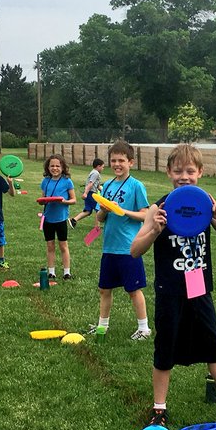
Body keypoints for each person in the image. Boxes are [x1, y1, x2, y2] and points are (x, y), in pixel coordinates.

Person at [130, 143, 216, 425]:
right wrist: (154, 230)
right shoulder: (158, 208)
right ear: (168, 172)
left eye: (190, 171)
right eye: (178, 171)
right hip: (170, 288)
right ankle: (159, 408)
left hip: (198, 285)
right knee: (165, 347)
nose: (184, 177)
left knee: (212, 342)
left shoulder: (205, 205)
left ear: (200, 172)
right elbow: (135, 250)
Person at [85, 140, 151, 340]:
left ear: (130, 162)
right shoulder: (107, 186)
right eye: (113, 160)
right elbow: (99, 217)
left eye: (121, 160)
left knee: (133, 289)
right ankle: (102, 326)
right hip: (109, 248)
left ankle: (144, 328)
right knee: (104, 289)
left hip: (128, 248)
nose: (117, 164)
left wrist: (123, 211)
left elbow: (145, 214)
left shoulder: (136, 186)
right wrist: (105, 210)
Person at [39, 155, 76, 280]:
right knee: (50, 245)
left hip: (61, 219)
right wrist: (42, 201)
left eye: (57, 166)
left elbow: (74, 200)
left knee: (63, 245)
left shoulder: (67, 181)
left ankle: (67, 272)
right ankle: (51, 271)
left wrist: (64, 201)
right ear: (48, 167)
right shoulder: (45, 181)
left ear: (63, 167)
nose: (55, 168)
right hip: (48, 219)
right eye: (52, 166)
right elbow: (43, 198)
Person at [69, 157, 105, 227]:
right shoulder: (96, 173)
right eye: (102, 167)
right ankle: (97, 227)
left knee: (88, 211)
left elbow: (97, 185)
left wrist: (103, 191)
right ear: (98, 166)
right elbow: (90, 184)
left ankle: (73, 220)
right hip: (91, 194)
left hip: (89, 193)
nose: (103, 169)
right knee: (98, 209)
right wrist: (85, 193)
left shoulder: (94, 172)